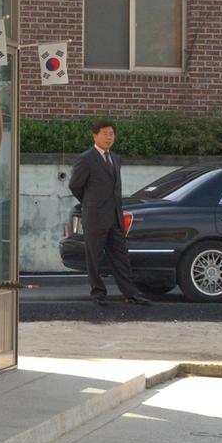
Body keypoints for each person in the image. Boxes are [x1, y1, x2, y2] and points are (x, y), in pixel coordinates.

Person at [68, 119, 149, 307]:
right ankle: (98, 293)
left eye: (111, 133)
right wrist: (90, 203)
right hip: (95, 216)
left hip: (115, 217)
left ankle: (130, 293)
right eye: (105, 133)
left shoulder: (116, 158)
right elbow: (75, 186)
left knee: (121, 256)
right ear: (95, 135)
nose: (109, 137)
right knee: (94, 257)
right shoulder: (86, 159)